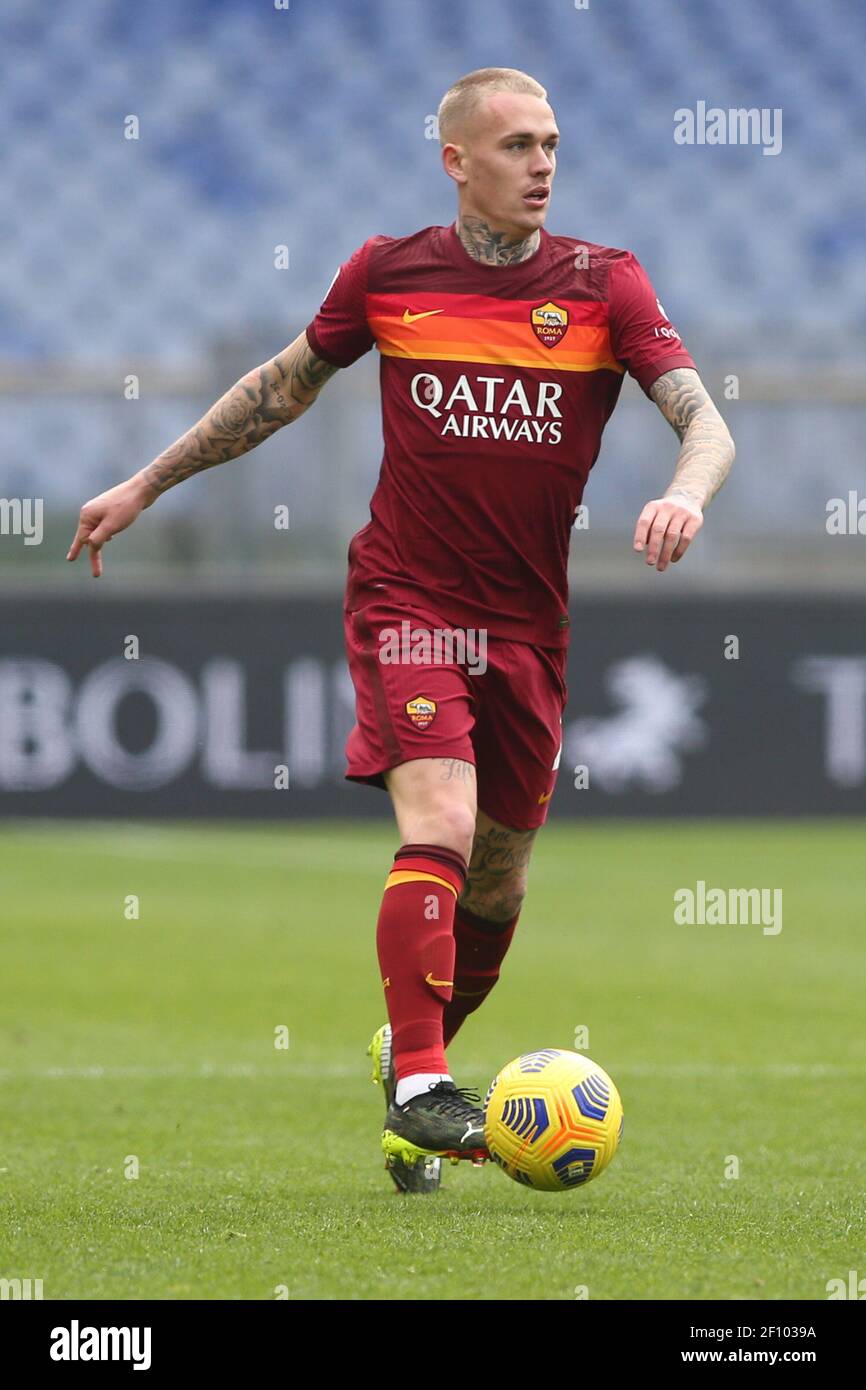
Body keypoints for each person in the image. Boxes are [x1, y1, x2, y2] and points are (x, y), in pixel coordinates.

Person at [67, 67, 735, 1195]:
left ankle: (402, 1075)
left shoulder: (602, 284)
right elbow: (278, 388)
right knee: (440, 814)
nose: (541, 165)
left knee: (498, 885)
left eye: (551, 144)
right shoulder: (387, 273)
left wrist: (686, 490)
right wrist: (146, 482)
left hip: (529, 627)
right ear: (456, 160)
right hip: (408, 601)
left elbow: (703, 419)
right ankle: (428, 1080)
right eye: (517, 144)